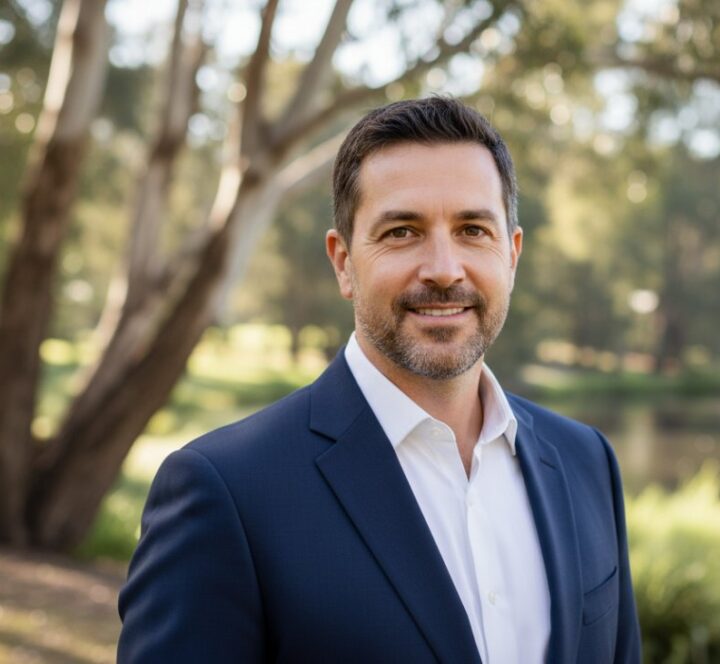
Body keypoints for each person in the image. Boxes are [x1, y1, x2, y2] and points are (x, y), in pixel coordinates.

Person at [118, 96, 641, 664]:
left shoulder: (586, 460)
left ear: (511, 256)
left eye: (472, 229)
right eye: (401, 232)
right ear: (343, 261)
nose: (444, 268)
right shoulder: (225, 492)